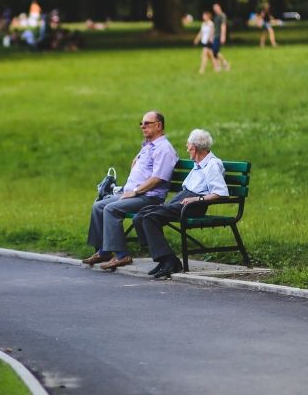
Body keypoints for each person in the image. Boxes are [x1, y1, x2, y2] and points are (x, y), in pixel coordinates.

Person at [83, 111, 178, 271]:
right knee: (98, 206)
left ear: (159, 125)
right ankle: (104, 251)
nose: (143, 126)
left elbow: (158, 179)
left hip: (149, 197)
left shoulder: (164, 149)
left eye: (147, 123)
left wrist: (135, 191)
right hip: (134, 193)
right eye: (141, 123)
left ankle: (122, 255)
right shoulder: (148, 146)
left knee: (111, 209)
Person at [133, 129, 229, 280]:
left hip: (193, 205)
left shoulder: (212, 165)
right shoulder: (198, 163)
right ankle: (164, 259)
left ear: (194, 148)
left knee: (150, 217)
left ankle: (169, 261)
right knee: (141, 215)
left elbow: (220, 193)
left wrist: (197, 199)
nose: (187, 149)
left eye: (188, 146)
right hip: (184, 199)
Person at [211, 3, 231, 71]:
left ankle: (225, 64)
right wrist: (211, 35)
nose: (215, 10)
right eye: (214, 9)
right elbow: (214, 27)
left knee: (215, 51)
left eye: (216, 8)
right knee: (215, 52)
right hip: (215, 36)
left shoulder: (222, 16)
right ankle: (219, 66)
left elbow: (223, 26)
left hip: (219, 35)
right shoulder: (216, 16)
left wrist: (223, 36)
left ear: (219, 7)